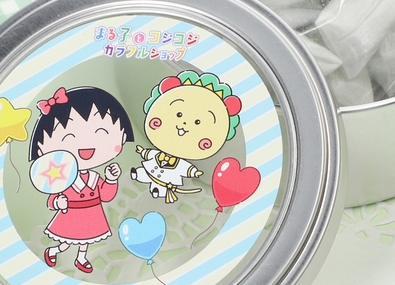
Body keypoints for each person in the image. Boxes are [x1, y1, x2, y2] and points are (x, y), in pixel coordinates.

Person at [29, 86, 133, 273]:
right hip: (71, 214)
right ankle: (53, 250)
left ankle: (81, 258)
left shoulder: (94, 177)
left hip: (92, 213)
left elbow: (106, 196)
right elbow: (53, 195)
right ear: (43, 149)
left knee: (85, 241)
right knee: (67, 242)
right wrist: (57, 202)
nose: (87, 147)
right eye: (68, 138)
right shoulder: (62, 175)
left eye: (102, 133)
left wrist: (111, 180)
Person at [131, 70, 241, 203]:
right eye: (179, 115)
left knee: (160, 188)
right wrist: (142, 151)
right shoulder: (158, 152)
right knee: (144, 173)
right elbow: (150, 154)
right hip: (151, 170)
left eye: (197, 122)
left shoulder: (180, 163)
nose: (184, 124)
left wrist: (194, 172)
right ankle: (139, 175)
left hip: (167, 180)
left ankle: (157, 190)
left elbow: (185, 168)